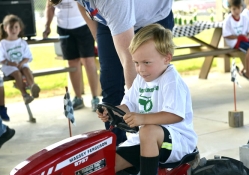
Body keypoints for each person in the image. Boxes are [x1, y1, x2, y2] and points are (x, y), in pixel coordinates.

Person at [49, 0, 173, 146]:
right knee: (110, 83)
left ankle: (159, 144)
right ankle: (117, 147)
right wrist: (99, 37)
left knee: (152, 84)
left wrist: (137, 111)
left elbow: (129, 59)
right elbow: (81, 4)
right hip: (109, 19)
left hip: (152, 17)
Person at [97, 24, 198, 175]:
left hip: (176, 141)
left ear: (167, 58)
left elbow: (174, 115)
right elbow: (128, 105)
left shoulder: (171, 81)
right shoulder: (141, 80)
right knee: (108, 164)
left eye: (146, 63)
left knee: (148, 130)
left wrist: (142, 118)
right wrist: (111, 111)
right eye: (136, 63)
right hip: (145, 139)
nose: (140, 69)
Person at [43, 0, 100, 111]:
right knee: (72, 63)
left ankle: (95, 98)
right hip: (63, 27)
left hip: (83, 24)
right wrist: (47, 25)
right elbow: (50, 6)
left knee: (88, 61)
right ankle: (78, 98)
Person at [0, 15, 40, 104]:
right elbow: (1, 59)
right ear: (5, 28)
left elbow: (28, 57)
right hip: (8, 66)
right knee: (17, 73)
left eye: (16, 27)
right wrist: (10, 63)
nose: (14, 30)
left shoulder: (22, 42)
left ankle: (33, 87)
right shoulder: (3, 43)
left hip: (22, 64)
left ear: (20, 28)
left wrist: (21, 63)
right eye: (11, 27)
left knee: (26, 69)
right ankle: (25, 95)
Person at [222, 0, 249, 84]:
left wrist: (246, 37)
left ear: (241, 8)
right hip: (234, 41)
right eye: (234, 9)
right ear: (230, 9)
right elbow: (226, 35)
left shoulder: (244, 18)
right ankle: (248, 72)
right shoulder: (228, 20)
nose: (237, 11)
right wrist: (238, 37)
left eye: (238, 8)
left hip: (244, 39)